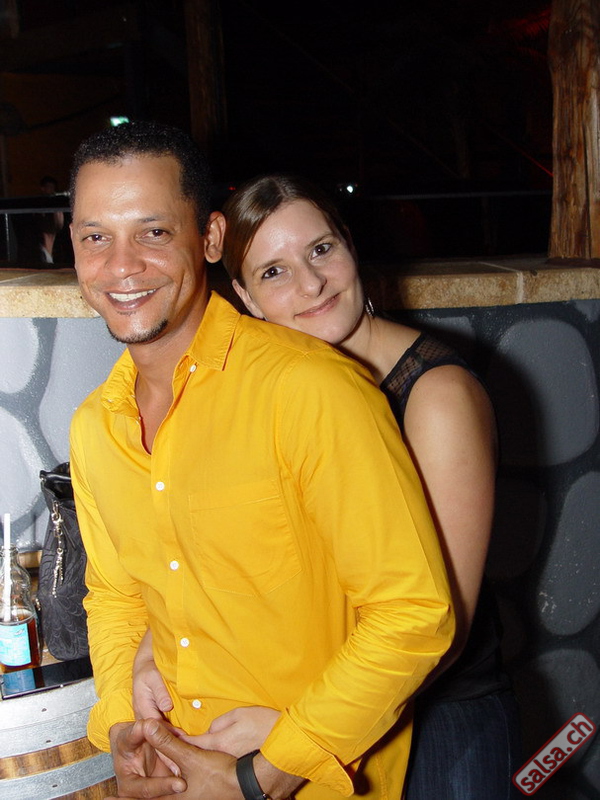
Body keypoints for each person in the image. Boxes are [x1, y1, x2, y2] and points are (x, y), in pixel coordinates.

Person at [68, 122, 454, 800]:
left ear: (210, 238)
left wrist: (264, 773)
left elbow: (414, 614)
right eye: (95, 237)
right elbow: (118, 597)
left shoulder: (311, 389)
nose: (121, 265)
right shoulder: (96, 426)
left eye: (153, 232)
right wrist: (126, 723)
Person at [133, 174, 521, 799]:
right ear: (245, 296)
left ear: (350, 247)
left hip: (437, 719)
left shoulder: (436, 398)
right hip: (325, 702)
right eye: (274, 271)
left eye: (320, 249)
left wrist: (299, 732)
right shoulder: (270, 394)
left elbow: (440, 627)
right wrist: (152, 648)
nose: (311, 283)